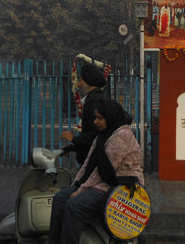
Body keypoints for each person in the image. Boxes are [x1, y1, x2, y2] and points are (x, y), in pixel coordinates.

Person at [49, 98, 143, 244]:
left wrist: (80, 191)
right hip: (103, 181)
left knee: (73, 206)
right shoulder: (104, 134)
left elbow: (103, 171)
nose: (95, 122)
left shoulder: (121, 136)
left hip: (118, 187)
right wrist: (77, 184)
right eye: (96, 118)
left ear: (110, 117)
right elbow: (88, 163)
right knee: (60, 198)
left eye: (100, 118)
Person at [60, 63, 106, 165]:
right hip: (92, 159)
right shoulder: (95, 98)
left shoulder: (94, 100)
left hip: (93, 161)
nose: (78, 85)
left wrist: (74, 139)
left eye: (80, 80)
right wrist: (73, 147)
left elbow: (96, 134)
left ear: (88, 83)